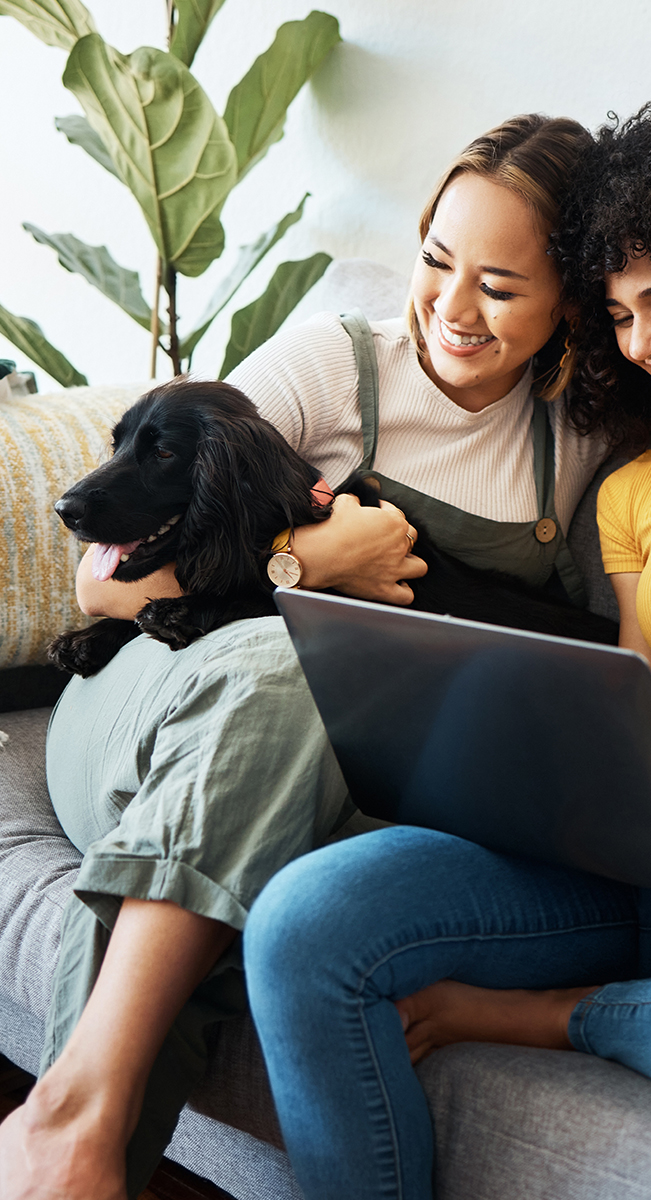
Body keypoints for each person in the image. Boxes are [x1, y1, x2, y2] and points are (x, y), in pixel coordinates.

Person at [242, 86, 651, 1200]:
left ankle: (560, 1016)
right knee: (305, 924)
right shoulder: (635, 487)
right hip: (646, 826)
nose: (645, 342)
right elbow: (636, 682)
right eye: (618, 313)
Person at [0, 114, 611, 1200]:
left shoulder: (584, 442)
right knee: (284, 676)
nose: (453, 310)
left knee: (332, 797)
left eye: (502, 288)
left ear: (570, 300)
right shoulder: (330, 367)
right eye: (435, 262)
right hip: (151, 712)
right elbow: (102, 582)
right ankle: (72, 1112)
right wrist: (300, 564)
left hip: (333, 768)